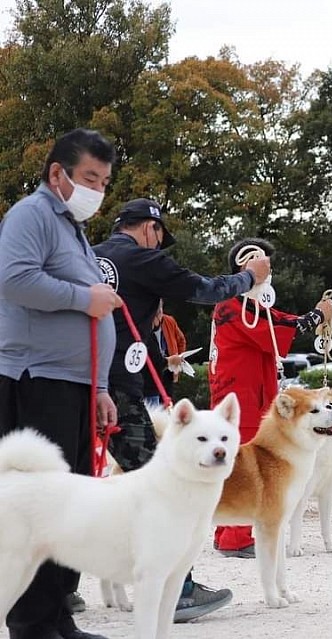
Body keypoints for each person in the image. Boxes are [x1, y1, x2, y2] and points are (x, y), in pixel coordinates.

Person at [93, 199, 272, 621]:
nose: (160, 245)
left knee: (71, 479)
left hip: (70, 380)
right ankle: (181, 590)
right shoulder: (142, 258)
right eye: (160, 236)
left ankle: (56, 591)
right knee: (160, 486)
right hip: (117, 385)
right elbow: (203, 290)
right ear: (150, 228)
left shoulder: (89, 253)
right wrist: (250, 277)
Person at [0, 128, 122, 639]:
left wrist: (98, 387)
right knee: (43, 505)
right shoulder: (31, 214)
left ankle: (55, 615)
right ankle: (31, 621)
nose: (97, 189)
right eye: (89, 177)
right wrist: (83, 299)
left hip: (72, 382)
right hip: (37, 378)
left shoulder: (73, 228)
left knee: (71, 504)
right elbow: (14, 278)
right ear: (58, 173)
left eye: (104, 181)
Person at [208, 237, 332, 556]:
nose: (267, 266)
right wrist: (316, 318)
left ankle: (228, 531)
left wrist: (314, 317)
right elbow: (275, 330)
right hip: (241, 395)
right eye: (258, 260)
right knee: (243, 463)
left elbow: (277, 321)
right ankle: (235, 537)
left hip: (244, 391)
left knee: (236, 462)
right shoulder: (234, 306)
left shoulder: (243, 305)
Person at [143, 300, 186, 407]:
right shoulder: (143, 328)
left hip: (167, 370)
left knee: (167, 403)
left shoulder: (169, 321)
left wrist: (179, 356)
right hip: (150, 379)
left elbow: (181, 340)